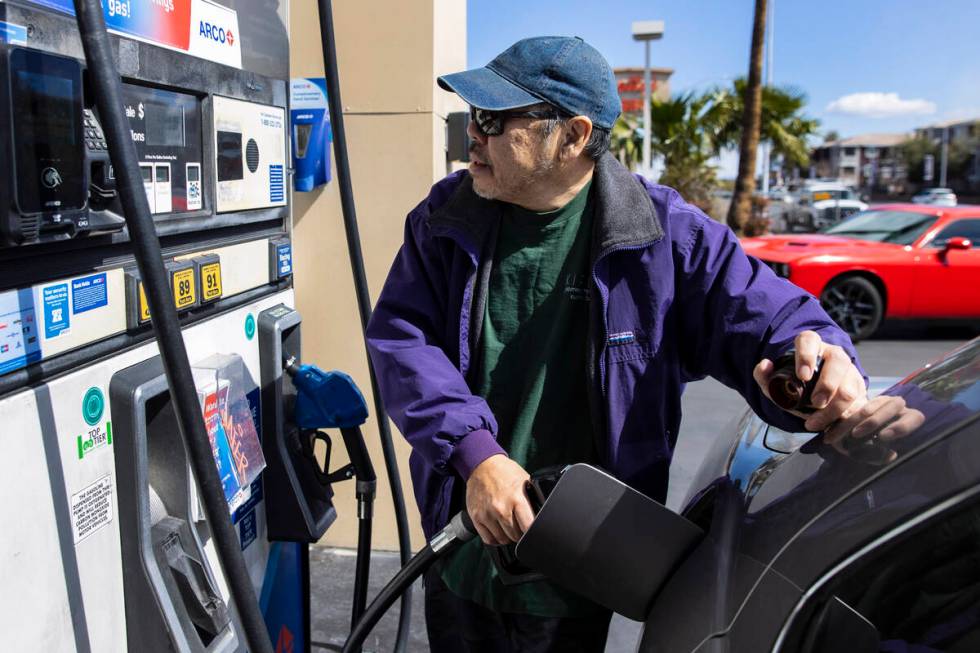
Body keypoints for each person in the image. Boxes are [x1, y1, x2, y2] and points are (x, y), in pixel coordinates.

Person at [365, 36, 869, 652]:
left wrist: (817, 361)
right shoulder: (444, 218)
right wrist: (476, 456)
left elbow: (772, 316)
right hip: (464, 545)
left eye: (495, 119)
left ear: (574, 135)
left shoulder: (665, 235)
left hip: (582, 562)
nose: (473, 133)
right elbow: (402, 340)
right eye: (469, 115)